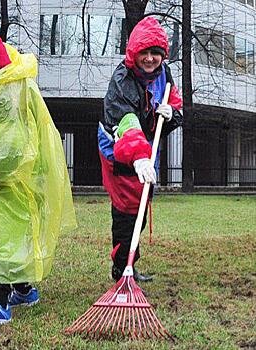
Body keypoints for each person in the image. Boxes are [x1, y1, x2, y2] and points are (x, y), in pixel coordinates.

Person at [0, 29, 77, 325]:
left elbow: (9, 153)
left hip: (13, 181)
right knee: (14, 237)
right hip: (16, 181)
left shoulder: (7, 97)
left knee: (2, 240)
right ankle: (24, 291)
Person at [97, 16, 183, 282]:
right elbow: (126, 121)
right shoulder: (122, 80)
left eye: (155, 53)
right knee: (127, 211)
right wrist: (137, 157)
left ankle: (130, 265)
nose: (149, 59)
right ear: (134, 53)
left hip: (145, 149)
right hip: (120, 150)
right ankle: (121, 269)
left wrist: (172, 115)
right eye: (144, 52)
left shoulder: (164, 75)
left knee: (141, 209)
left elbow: (175, 103)